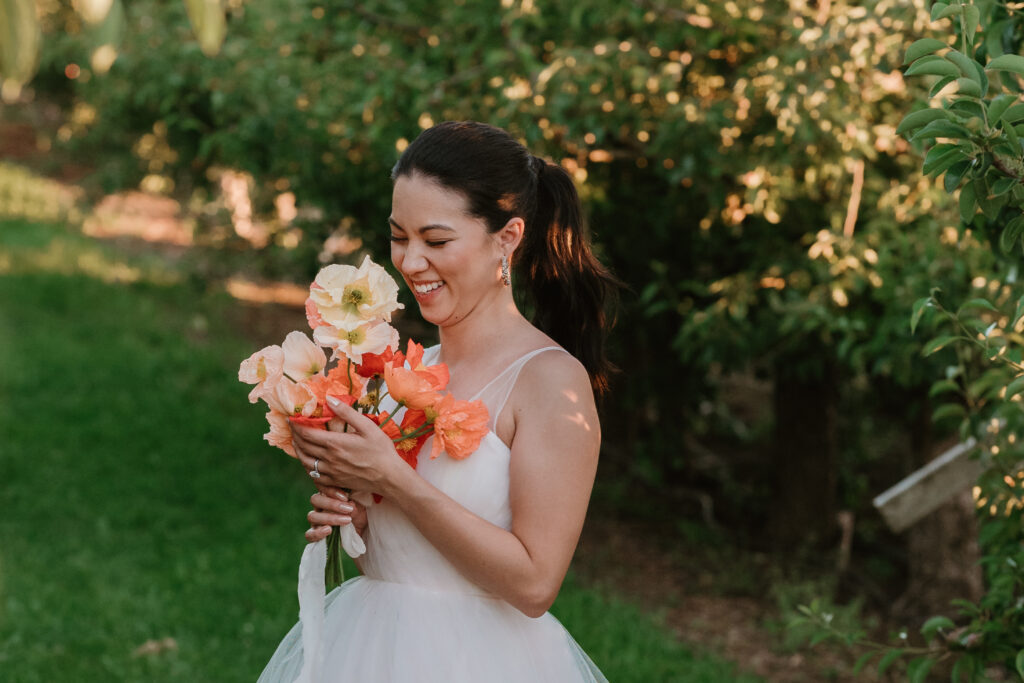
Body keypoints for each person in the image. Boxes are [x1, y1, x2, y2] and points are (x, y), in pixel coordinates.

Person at [258, 121, 618, 682]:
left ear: (508, 237)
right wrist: (356, 515)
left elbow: (534, 584)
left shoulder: (551, 383)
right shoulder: (407, 371)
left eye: (437, 240)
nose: (411, 261)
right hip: (372, 647)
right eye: (400, 237)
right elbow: (399, 563)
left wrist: (395, 480)